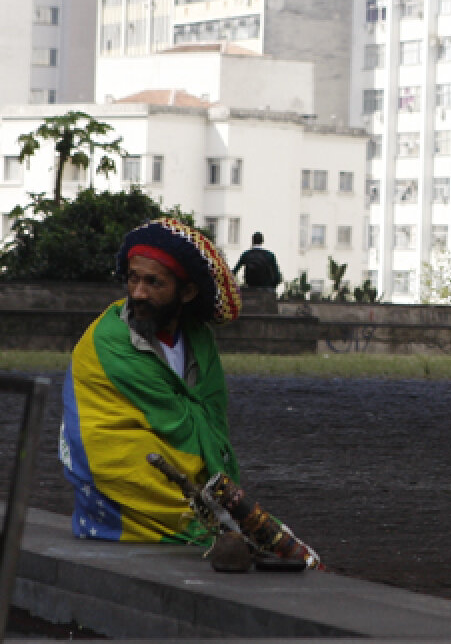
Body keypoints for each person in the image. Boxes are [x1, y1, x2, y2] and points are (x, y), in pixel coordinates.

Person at [58, 218, 318, 567]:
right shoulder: (106, 342)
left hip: (202, 501)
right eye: (133, 279)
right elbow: (153, 431)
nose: (138, 293)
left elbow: (211, 421)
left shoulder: (200, 341)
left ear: (188, 292)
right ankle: (202, 522)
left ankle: (211, 520)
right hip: (121, 509)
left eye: (154, 282)